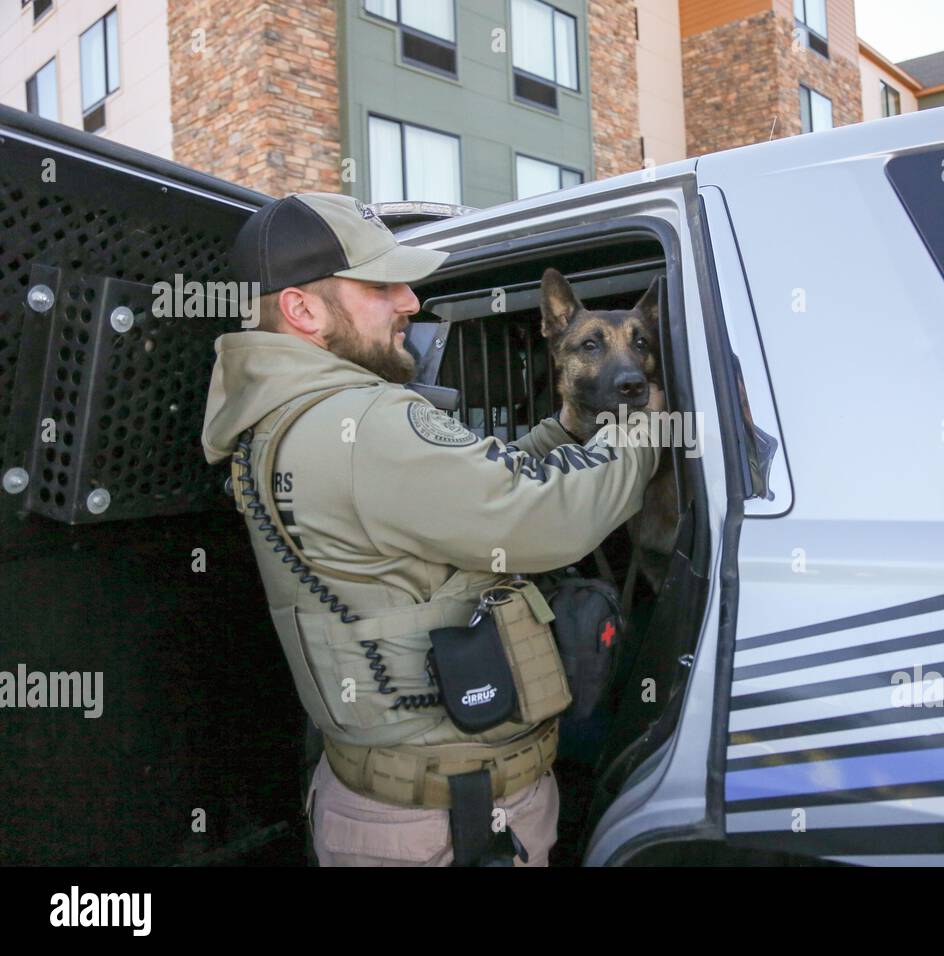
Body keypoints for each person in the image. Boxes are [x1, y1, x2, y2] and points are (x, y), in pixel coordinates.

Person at [200, 192, 662, 866]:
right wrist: (648, 420)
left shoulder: (281, 417)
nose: (411, 303)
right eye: (382, 287)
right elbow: (552, 520)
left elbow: (475, 484)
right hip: (447, 823)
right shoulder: (365, 427)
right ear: (303, 309)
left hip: (389, 802)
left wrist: (562, 432)